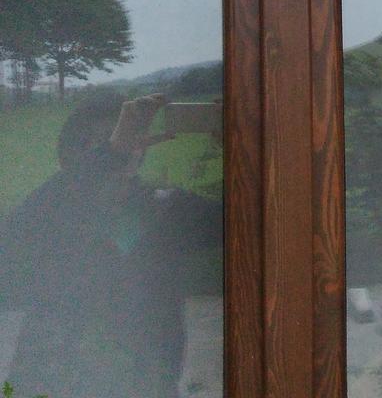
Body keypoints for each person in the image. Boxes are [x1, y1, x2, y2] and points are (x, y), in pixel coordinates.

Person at [0, 90, 221, 398]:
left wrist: (239, 147)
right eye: (101, 142)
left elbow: (259, 220)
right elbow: (11, 238)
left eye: (129, 138)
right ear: (76, 155)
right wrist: (111, 153)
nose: (122, 149)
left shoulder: (167, 209)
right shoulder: (53, 212)